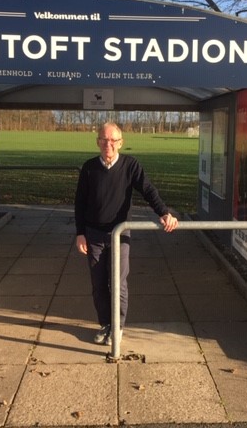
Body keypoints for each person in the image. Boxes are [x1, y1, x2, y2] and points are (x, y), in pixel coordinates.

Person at [74, 122, 179, 346]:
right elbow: (79, 203)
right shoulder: (89, 167)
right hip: (94, 236)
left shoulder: (130, 166)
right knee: (99, 284)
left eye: (113, 140)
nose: (108, 144)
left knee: (119, 283)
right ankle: (106, 324)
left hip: (120, 235)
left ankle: (118, 327)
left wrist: (164, 212)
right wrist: (80, 233)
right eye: (103, 140)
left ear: (121, 143)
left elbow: (148, 189)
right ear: (97, 142)